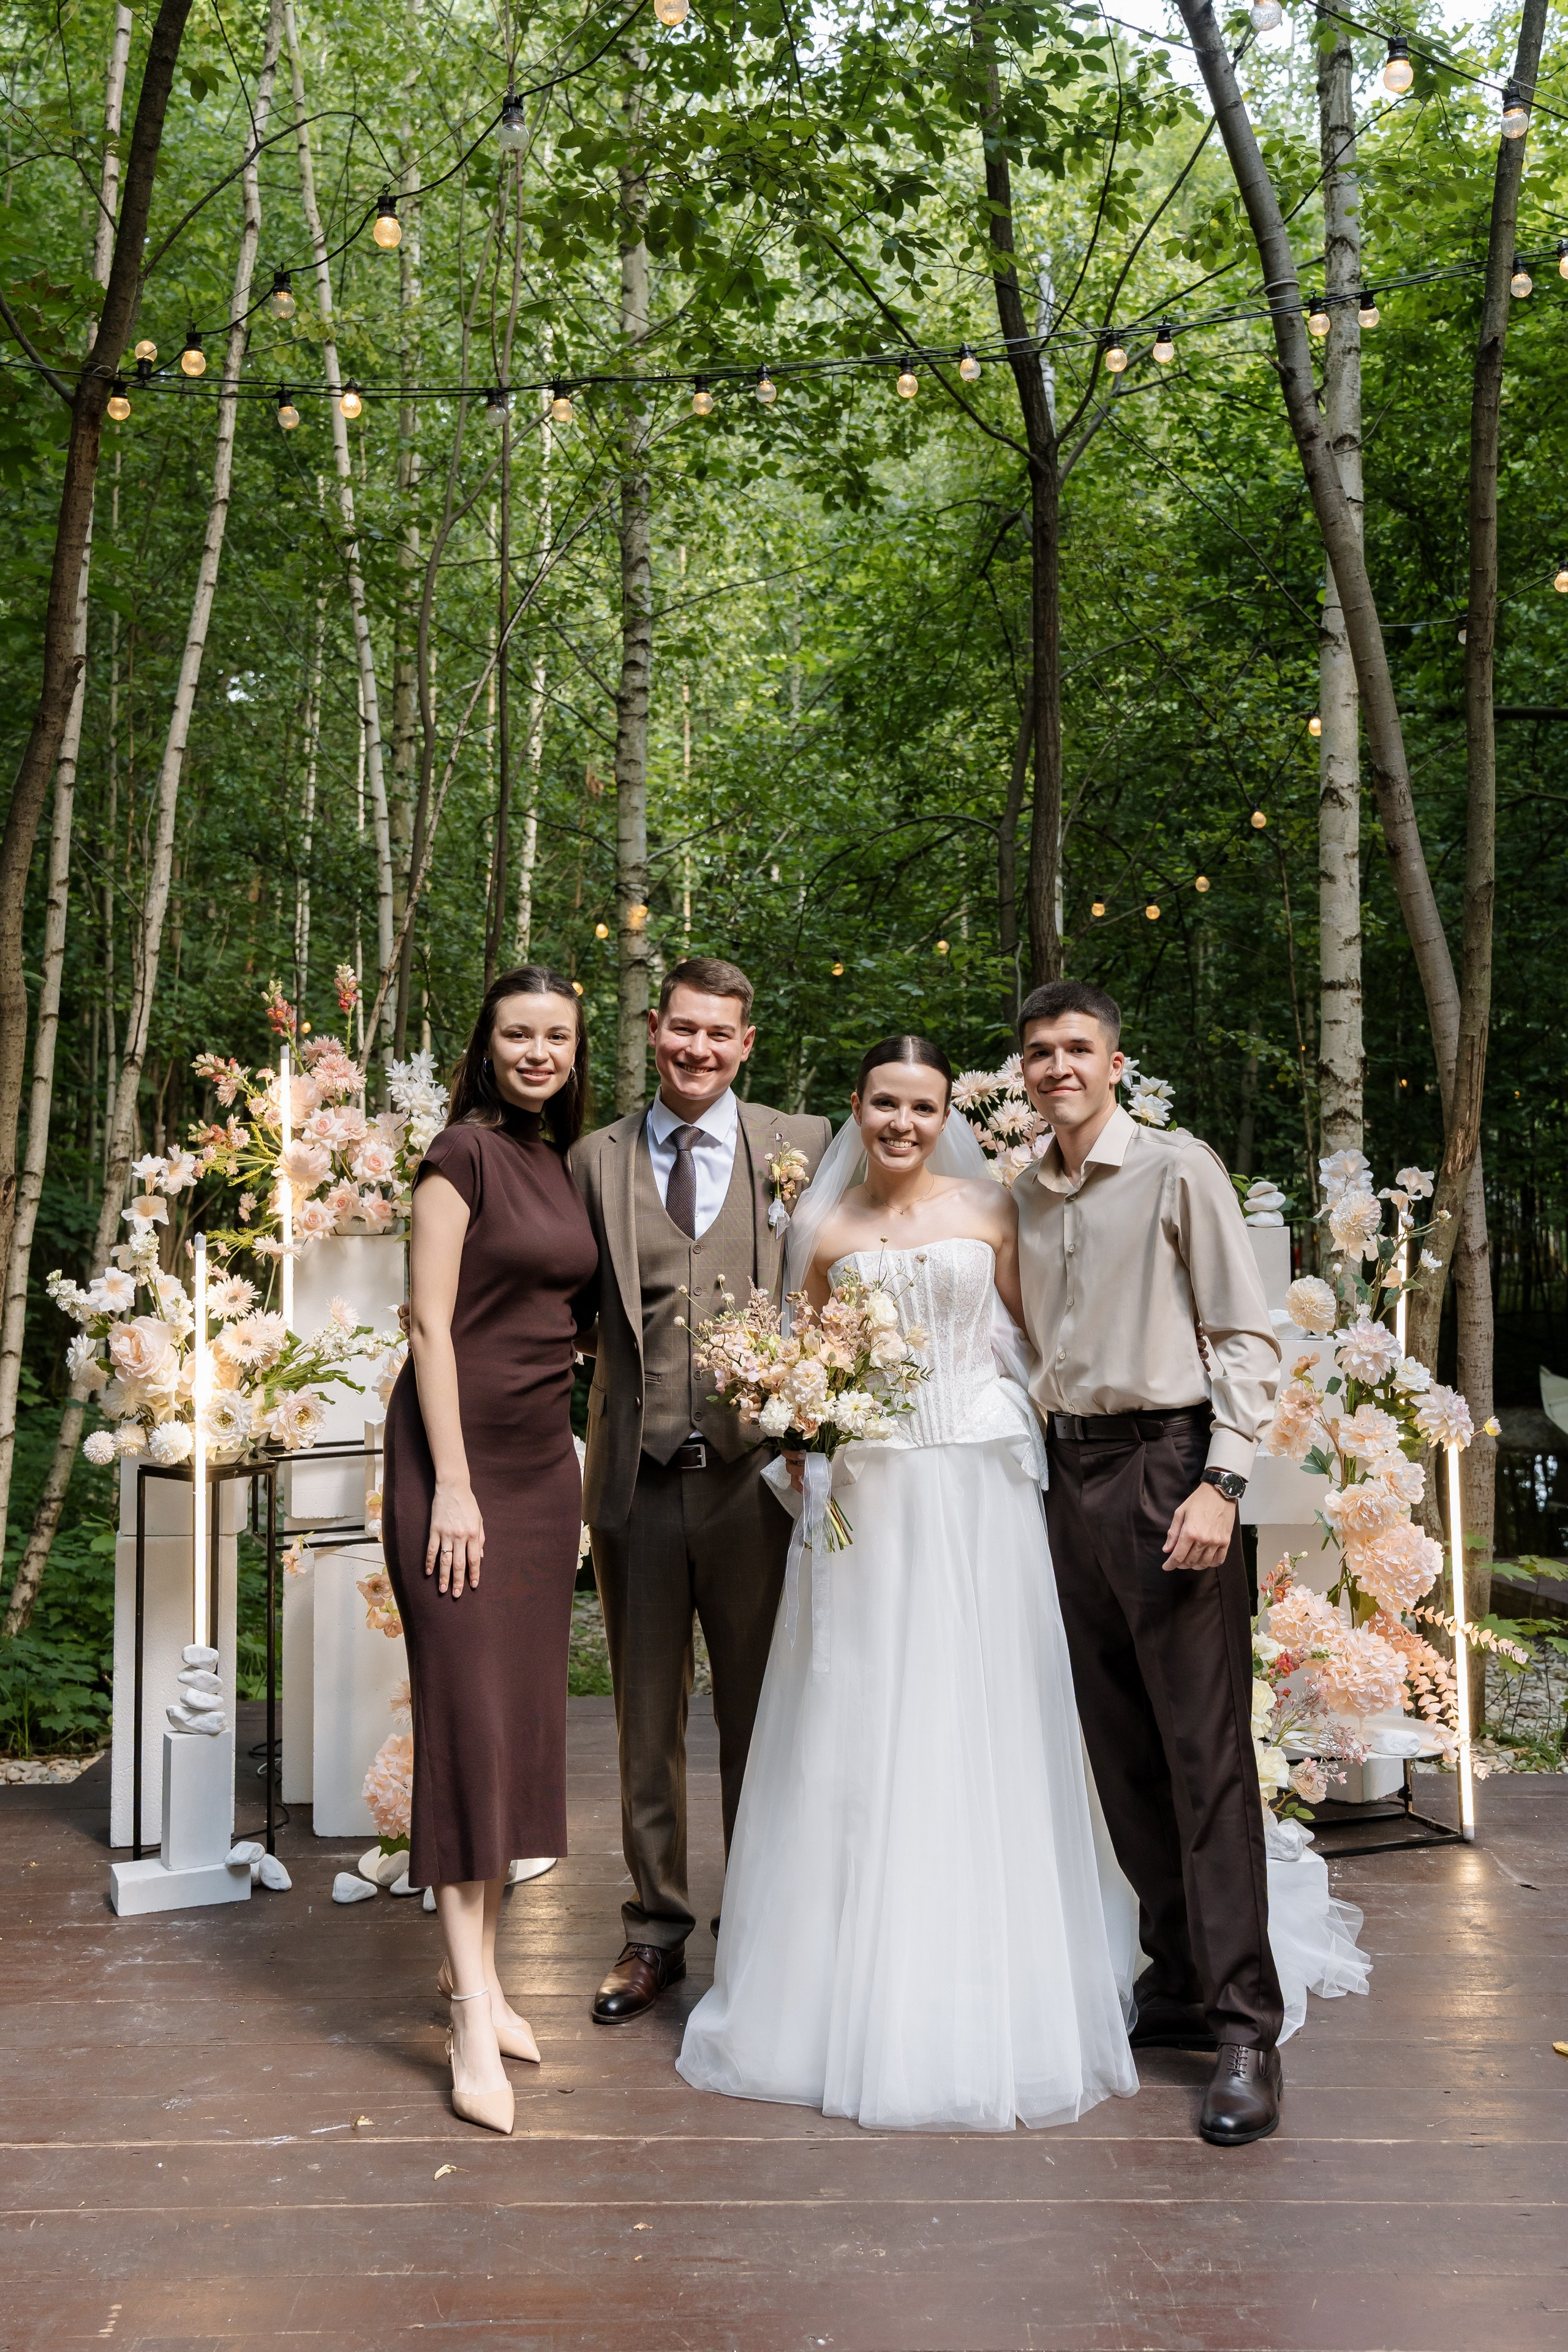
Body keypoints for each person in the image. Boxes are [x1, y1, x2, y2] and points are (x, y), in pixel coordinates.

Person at [676, 1038, 1139, 2131]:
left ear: (945, 1116)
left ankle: (998, 1964)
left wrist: (1014, 1424)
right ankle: (845, 1981)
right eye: (884, 1104)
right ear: (858, 1107)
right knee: (865, 1714)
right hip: (871, 1497)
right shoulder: (821, 1230)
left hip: (977, 1489)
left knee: (985, 1710)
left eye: (922, 1107)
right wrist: (803, 1427)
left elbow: (1031, 1340)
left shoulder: (992, 1210)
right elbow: (800, 1359)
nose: (901, 1124)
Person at [1011, 978, 1287, 2147]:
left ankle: (1243, 2027)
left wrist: (1223, 1482)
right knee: (1118, 1750)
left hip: (1169, 1466)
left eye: (1077, 1048)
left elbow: (1246, 1333)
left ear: (1115, 1062)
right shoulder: (1024, 1191)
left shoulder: (1180, 1170)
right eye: (1038, 1052)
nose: (1057, 1066)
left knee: (1203, 1752)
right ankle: (1173, 1980)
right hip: (1064, 1477)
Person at [573, 957, 833, 2024]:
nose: (698, 1050)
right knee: (647, 1719)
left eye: (720, 1036)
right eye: (683, 1031)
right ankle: (655, 1931)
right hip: (635, 1476)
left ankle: (766, 1922)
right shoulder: (595, 1159)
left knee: (764, 1717)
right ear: (654, 1029)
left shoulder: (803, 1147)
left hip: (753, 1483)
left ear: (747, 1044)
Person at [382, 967, 598, 2136]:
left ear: (574, 1050)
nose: (536, 1051)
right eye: (517, 1034)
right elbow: (428, 1323)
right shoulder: (457, 1156)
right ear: (488, 1043)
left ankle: (491, 1981)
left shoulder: (563, 1167)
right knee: (468, 1727)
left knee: (515, 1727)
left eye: (555, 1036)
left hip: (538, 1467)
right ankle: (467, 2015)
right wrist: (453, 1488)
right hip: (453, 1469)